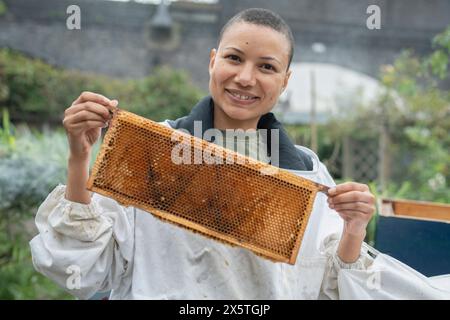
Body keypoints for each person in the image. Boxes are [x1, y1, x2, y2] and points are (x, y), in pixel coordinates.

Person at [30, 8, 449, 300]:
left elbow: (329, 287)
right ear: (213, 62)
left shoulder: (305, 172)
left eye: (266, 67)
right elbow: (84, 271)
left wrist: (355, 228)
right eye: (233, 58)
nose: (245, 78)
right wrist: (79, 159)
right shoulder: (151, 152)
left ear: (284, 81)